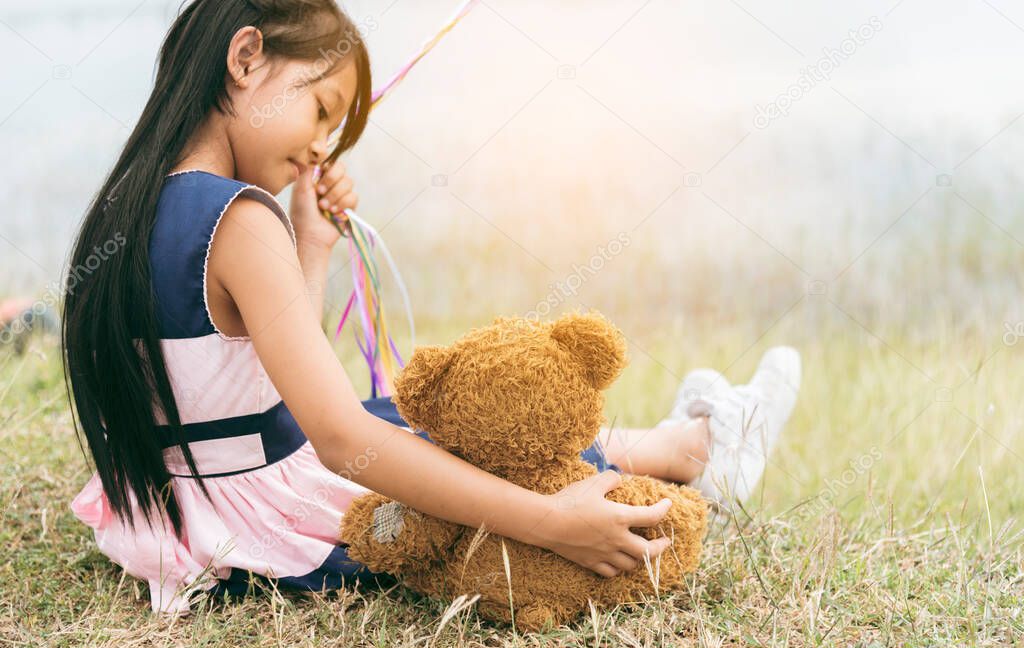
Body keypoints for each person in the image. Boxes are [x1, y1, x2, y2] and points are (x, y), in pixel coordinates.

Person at [64, 0, 800, 613]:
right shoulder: (238, 218)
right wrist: (549, 524)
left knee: (413, 421)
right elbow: (341, 442)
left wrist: (309, 242)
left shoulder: (134, 205)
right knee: (483, 439)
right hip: (274, 523)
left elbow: (247, 378)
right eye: (322, 110)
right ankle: (699, 456)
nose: (321, 148)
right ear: (246, 57)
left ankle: (686, 446)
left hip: (196, 504)